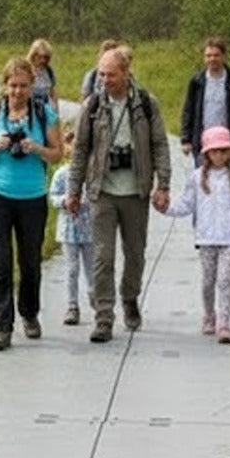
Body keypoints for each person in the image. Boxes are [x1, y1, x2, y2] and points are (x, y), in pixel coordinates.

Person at [66, 45, 171, 343]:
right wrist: (74, 190)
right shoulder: (93, 105)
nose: (105, 80)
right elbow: (80, 150)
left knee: (135, 255)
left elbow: (160, 145)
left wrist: (163, 185)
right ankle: (103, 317)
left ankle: (129, 297)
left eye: (111, 74)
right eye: (101, 74)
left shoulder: (147, 104)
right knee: (102, 256)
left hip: (136, 190)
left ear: (126, 72)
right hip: (102, 191)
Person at [0, 56, 62, 351]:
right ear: (4, 85)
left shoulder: (44, 114)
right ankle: (1, 326)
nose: (18, 91)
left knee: (30, 261)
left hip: (32, 196)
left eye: (23, 86)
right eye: (12, 85)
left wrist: (35, 148)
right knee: (0, 262)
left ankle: (29, 312)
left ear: (31, 86)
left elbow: (57, 153)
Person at [160, 125, 230, 344]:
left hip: (229, 238)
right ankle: (209, 315)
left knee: (224, 280)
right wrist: (165, 208)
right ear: (206, 153)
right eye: (215, 151)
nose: (220, 155)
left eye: (224, 151)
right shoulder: (197, 178)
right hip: (206, 238)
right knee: (208, 281)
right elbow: (186, 204)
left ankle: (224, 322)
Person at [180, 37, 230, 166]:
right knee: (204, 181)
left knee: (227, 181)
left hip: (227, 141)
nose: (212, 59)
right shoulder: (197, 81)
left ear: (223, 56)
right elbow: (188, 110)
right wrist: (186, 139)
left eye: (216, 55)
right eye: (208, 56)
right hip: (203, 141)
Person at [49, 130, 94, 325]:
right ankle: (72, 305)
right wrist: (64, 201)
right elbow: (52, 196)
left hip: (90, 229)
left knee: (92, 268)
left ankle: (96, 299)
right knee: (71, 269)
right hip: (68, 229)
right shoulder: (61, 174)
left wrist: (84, 201)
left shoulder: (93, 174)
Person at [27, 38, 59, 113]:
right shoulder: (26, 69)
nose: (43, 60)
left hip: (44, 109)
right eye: (40, 57)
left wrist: (56, 112)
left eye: (46, 57)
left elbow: (53, 93)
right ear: (33, 55)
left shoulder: (49, 71)